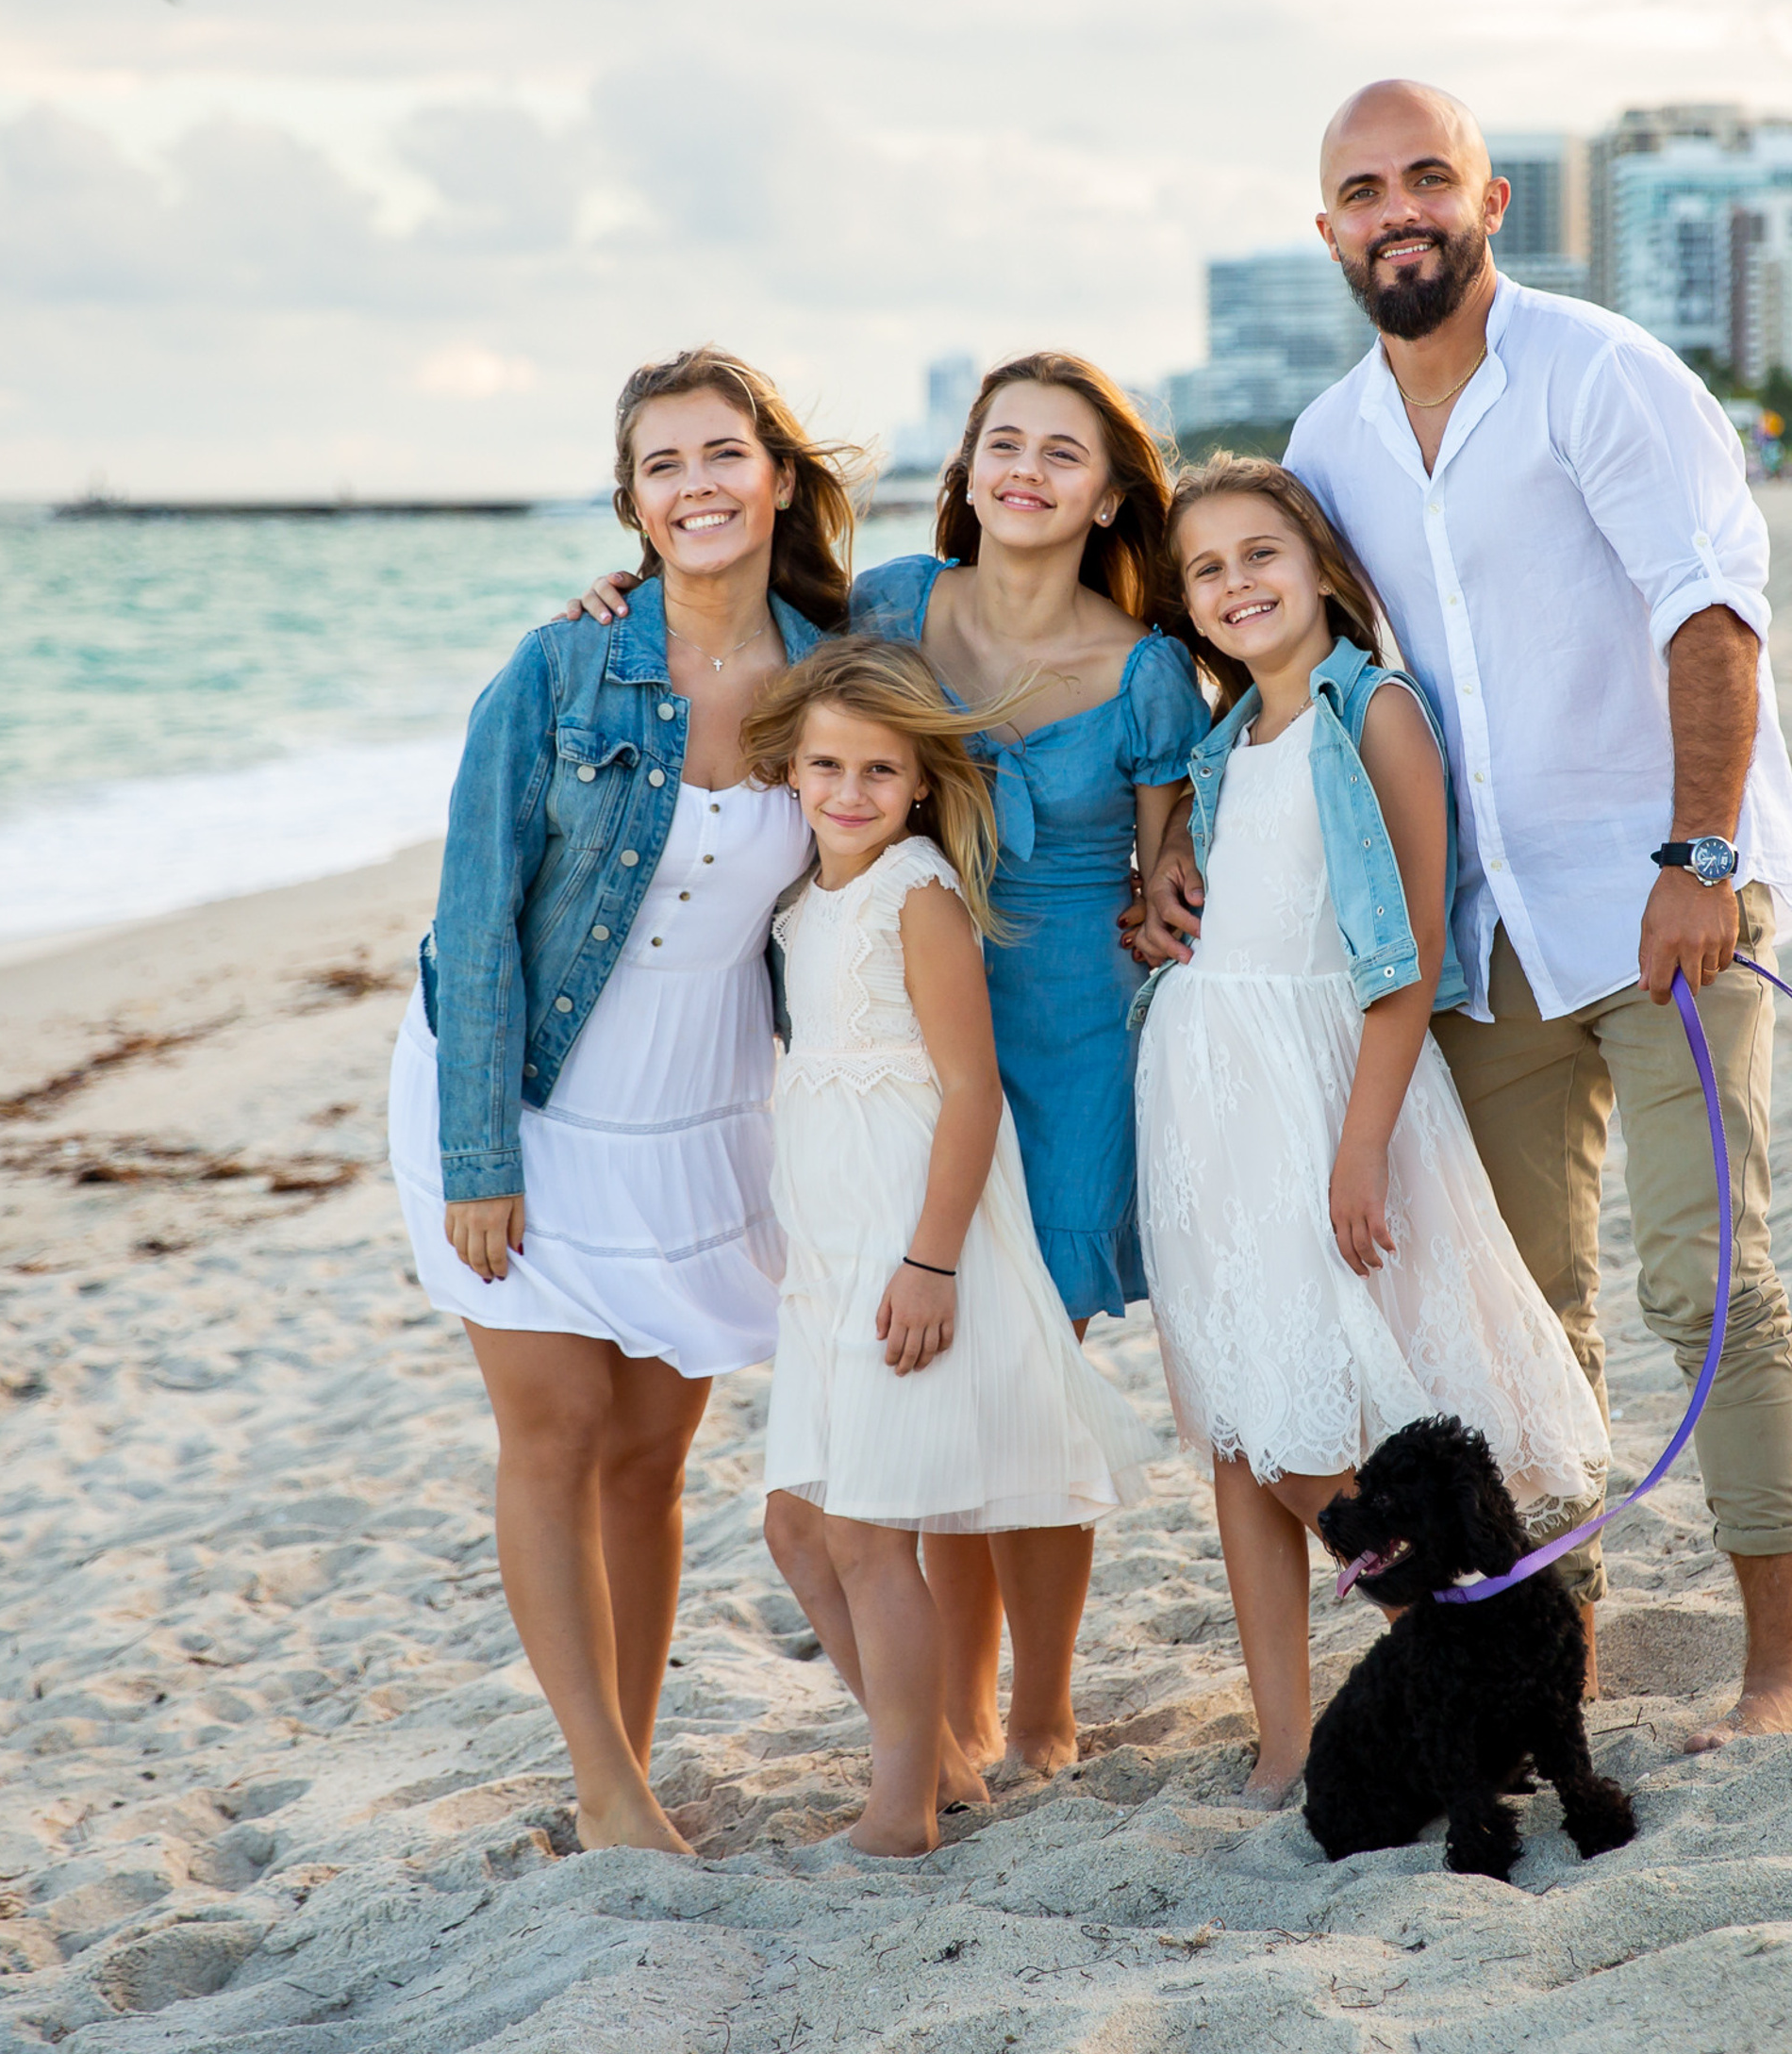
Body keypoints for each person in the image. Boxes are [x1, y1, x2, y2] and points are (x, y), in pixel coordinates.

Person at [1148, 78, 1792, 1752]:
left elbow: (1714, 613)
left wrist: (1701, 856)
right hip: (1477, 949)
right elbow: (1262, 653)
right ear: (1329, 232)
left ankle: (1782, 1669)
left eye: (1426, 179)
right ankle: (1554, 1667)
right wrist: (1168, 826)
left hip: (1664, 905)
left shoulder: (1603, 374)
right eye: (1363, 190)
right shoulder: (1327, 447)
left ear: (1490, 199)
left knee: (1708, 1284)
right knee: (1520, 1326)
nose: (1399, 211)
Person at [570, 349, 1209, 1785]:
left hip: (1061, 1042)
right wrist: (613, 601)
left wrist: (1174, 886)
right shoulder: (893, 610)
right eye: (1003, 444)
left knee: (1025, 1371)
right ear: (967, 470)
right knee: (932, 1389)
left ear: (1111, 497)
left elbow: (1168, 864)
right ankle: (959, 1716)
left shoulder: (1148, 666)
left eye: (1063, 452)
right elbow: (739, 647)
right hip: (891, 1038)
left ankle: (1038, 1710)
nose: (1027, 471)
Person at [388, 345, 855, 1852]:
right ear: (631, 505)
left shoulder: (842, 664)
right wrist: (477, 1154)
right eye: (664, 465)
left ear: (776, 476)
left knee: (653, 1455)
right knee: (559, 1428)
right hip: (518, 1090)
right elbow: (473, 919)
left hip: (702, 1107)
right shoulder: (560, 667)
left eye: (723, 454)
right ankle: (602, 1783)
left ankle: (630, 1770)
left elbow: (1006, 613)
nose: (697, 485)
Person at [1133, 457, 1608, 1807]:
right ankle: (1284, 1738)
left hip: (1322, 1089)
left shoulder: (1376, 711)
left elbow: (1400, 962)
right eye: (1207, 569)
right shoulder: (1224, 747)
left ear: (1323, 566)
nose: (1236, 584)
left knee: (1308, 1439)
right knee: (1238, 1423)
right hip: (1209, 1105)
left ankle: (1463, 1660)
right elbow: (1205, 903)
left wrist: (1358, 1144)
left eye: (1260, 553)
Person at [745, 638, 1159, 1855]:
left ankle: (902, 1811)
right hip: (827, 1240)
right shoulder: (799, 899)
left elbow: (971, 1092)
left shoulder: (915, 892)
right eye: (826, 765)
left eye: (880, 769)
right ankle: (929, 1756)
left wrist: (929, 1261)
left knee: (869, 1530)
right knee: (796, 1524)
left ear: (922, 782)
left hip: (905, 1236)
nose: (850, 791)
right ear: (791, 770)